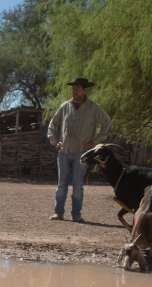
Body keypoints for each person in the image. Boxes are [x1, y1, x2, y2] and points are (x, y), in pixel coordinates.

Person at [47, 77, 112, 223]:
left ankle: (76, 215)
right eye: (73, 88)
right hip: (64, 152)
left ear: (84, 90)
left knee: (78, 185)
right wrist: (54, 140)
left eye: (77, 88)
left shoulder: (94, 108)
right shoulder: (65, 106)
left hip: (82, 154)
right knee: (61, 184)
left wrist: (96, 141)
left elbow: (107, 123)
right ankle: (58, 213)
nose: (74, 91)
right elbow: (53, 124)